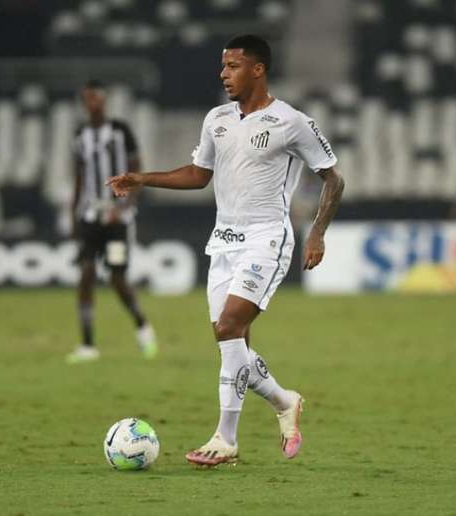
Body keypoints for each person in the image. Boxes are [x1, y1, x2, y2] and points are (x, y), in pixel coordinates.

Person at [106, 34, 345, 466]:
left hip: (267, 239)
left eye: (233, 65)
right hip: (225, 242)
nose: (223, 73)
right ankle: (284, 401)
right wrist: (142, 178)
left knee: (229, 327)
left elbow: (334, 179)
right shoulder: (216, 118)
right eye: (223, 66)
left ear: (258, 69)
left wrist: (317, 233)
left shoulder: (291, 122)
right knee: (234, 348)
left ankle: (226, 439)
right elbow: (199, 175)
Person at [66, 79, 157, 363]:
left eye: (95, 98)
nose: (91, 103)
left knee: (117, 277)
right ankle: (88, 344)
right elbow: (79, 177)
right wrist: (74, 215)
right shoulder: (80, 134)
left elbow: (137, 171)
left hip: (117, 220)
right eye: (86, 99)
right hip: (90, 218)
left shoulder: (121, 131)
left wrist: (126, 205)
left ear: (103, 100)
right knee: (86, 274)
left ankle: (142, 326)